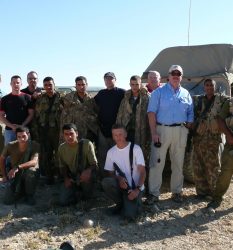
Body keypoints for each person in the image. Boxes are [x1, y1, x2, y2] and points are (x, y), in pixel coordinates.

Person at [147, 65, 193, 203]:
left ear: (181, 76)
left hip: (180, 130)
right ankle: (154, 194)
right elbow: (151, 113)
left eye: (178, 73)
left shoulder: (186, 93)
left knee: (178, 163)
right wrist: (154, 132)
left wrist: (189, 124)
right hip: (162, 130)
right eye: (173, 73)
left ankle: (177, 192)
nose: (175, 75)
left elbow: (190, 111)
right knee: (157, 162)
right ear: (168, 76)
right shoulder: (158, 92)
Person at [192, 79, 230, 199]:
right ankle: (202, 192)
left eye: (211, 85)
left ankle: (215, 193)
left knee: (213, 166)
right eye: (207, 85)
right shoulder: (199, 100)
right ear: (204, 87)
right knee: (198, 165)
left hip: (213, 138)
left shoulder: (221, 99)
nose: (209, 87)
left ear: (215, 87)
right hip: (199, 137)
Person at [102, 124, 146, 221]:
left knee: (130, 216)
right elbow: (110, 173)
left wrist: (137, 190)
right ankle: (121, 204)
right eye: (115, 135)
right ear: (113, 136)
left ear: (125, 134)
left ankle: (131, 205)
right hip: (122, 187)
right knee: (106, 182)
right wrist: (119, 179)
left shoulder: (136, 149)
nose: (118, 137)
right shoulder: (111, 152)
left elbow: (143, 172)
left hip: (135, 188)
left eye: (120, 134)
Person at [58, 123, 98, 206]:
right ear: (63, 135)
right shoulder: (61, 148)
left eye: (71, 134)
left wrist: (88, 171)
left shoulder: (86, 144)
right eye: (66, 134)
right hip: (72, 177)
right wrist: (66, 178)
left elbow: (95, 164)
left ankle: (87, 195)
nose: (69, 137)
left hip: (84, 177)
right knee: (63, 201)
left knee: (87, 198)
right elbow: (63, 166)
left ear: (76, 133)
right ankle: (76, 195)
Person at [94, 72, 125, 174]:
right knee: (103, 155)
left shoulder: (122, 93)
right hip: (103, 129)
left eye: (111, 78)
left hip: (117, 130)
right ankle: (104, 178)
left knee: (118, 155)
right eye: (106, 79)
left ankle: (119, 178)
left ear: (115, 80)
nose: (108, 80)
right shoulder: (101, 94)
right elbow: (92, 105)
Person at [33, 76, 63, 184]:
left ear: (54, 84)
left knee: (60, 154)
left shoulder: (62, 98)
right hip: (44, 131)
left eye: (50, 84)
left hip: (57, 131)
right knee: (46, 154)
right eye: (45, 85)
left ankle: (61, 176)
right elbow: (36, 115)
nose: (48, 87)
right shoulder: (40, 99)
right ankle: (49, 176)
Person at [0, 126, 39, 205]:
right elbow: (2, 159)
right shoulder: (10, 145)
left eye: (24, 136)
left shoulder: (35, 145)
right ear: (16, 136)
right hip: (15, 173)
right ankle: (20, 191)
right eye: (19, 137)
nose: (22, 139)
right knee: (7, 201)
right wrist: (4, 175)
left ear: (28, 135)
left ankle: (29, 195)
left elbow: (34, 162)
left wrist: (17, 167)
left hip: (27, 171)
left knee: (31, 172)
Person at [116, 75, 150, 162]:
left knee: (140, 155)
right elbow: (120, 114)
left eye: (137, 84)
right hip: (127, 131)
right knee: (126, 154)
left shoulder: (146, 97)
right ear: (129, 85)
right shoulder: (126, 98)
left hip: (141, 131)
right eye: (132, 84)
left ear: (141, 84)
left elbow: (150, 115)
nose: (134, 87)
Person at [207, 112, 233, 209]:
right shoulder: (229, 103)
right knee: (225, 174)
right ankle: (217, 199)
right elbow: (220, 118)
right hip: (231, 145)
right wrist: (228, 135)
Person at [60, 76, 98, 141]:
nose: (81, 87)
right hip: (72, 133)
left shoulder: (92, 100)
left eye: (83, 84)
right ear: (75, 86)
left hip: (87, 134)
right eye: (79, 85)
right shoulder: (68, 98)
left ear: (87, 85)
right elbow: (62, 115)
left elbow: (96, 115)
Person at [0, 75, 34, 145]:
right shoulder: (4, 99)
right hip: (9, 131)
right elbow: (1, 116)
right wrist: (12, 126)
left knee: (26, 153)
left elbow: (31, 114)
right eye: (14, 83)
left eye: (18, 83)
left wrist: (22, 125)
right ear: (10, 84)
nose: (16, 84)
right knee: (9, 153)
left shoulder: (28, 97)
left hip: (24, 130)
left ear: (21, 84)